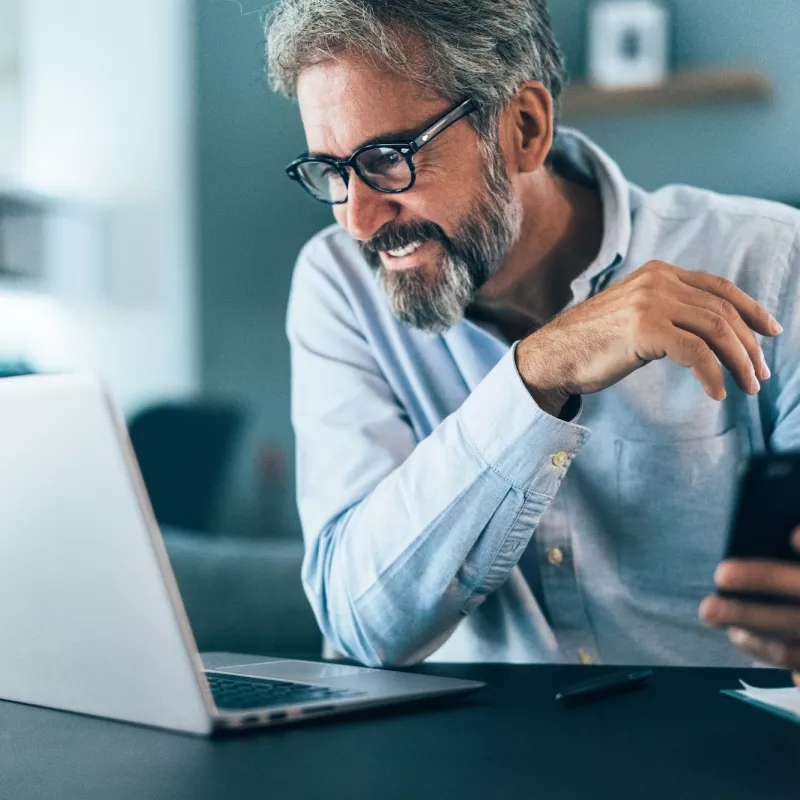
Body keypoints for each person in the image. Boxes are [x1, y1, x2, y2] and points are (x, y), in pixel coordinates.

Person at [266, 0, 800, 681]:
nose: (360, 219)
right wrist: (536, 375)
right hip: (465, 768)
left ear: (524, 127)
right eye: (334, 172)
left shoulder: (774, 267)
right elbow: (362, 627)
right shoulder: (339, 285)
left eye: (388, 160)